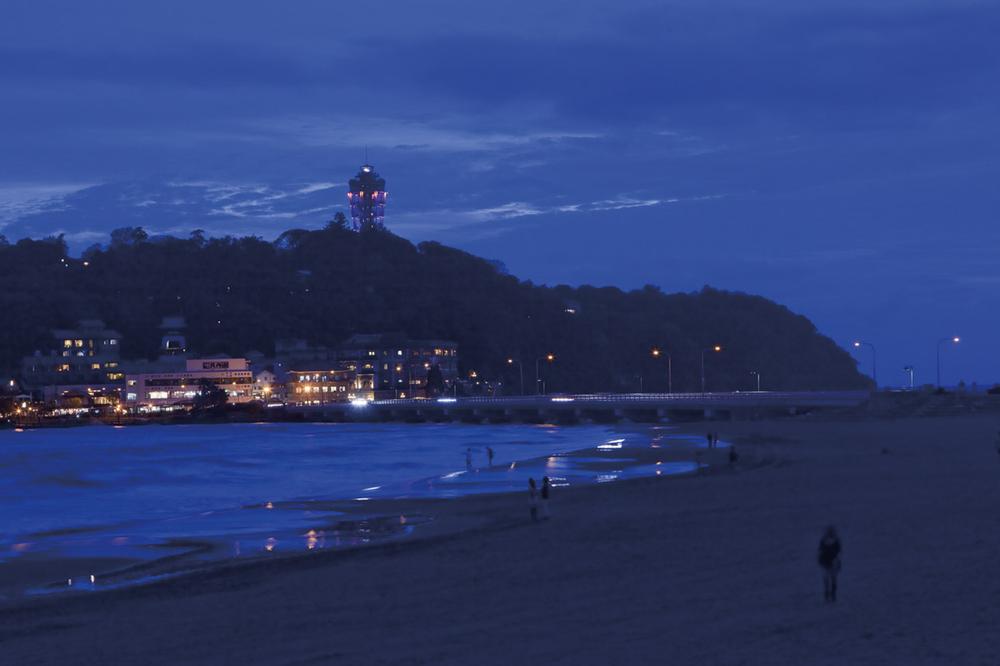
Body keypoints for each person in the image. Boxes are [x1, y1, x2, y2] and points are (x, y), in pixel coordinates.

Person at [818, 526, 842, 602]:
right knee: (831, 580)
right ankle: (831, 596)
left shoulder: (824, 541)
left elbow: (820, 552)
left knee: (830, 580)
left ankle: (830, 595)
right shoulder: (835, 541)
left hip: (829, 562)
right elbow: (839, 552)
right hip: (829, 562)